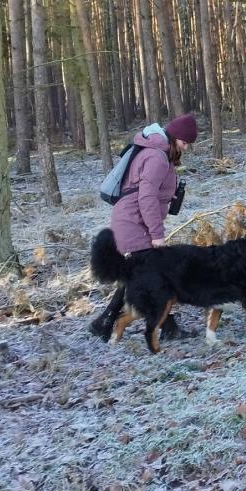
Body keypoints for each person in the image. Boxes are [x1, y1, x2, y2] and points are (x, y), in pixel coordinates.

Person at [88, 112, 198, 339]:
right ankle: (168, 329)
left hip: (134, 220)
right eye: (184, 142)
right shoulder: (157, 157)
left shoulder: (157, 152)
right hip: (134, 222)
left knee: (136, 274)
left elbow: (149, 192)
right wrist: (157, 234)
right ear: (174, 137)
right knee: (154, 276)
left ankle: (103, 322)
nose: (185, 148)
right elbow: (146, 198)